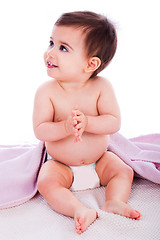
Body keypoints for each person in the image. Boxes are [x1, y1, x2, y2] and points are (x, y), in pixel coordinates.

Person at [33, 11, 141, 234]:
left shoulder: (102, 87)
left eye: (63, 48)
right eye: (51, 43)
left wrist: (89, 123)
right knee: (46, 182)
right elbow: (40, 129)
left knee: (123, 171)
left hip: (99, 161)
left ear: (91, 64)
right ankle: (79, 209)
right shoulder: (47, 92)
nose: (50, 53)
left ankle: (114, 201)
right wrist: (64, 127)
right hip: (61, 165)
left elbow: (114, 122)